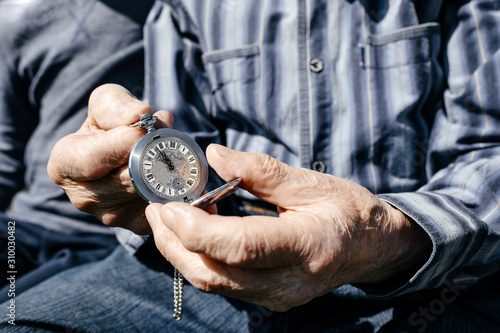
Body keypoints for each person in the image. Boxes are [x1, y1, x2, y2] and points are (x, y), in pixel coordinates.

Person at [1, 0, 500, 332]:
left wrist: (380, 236)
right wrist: (130, 188)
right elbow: (183, 155)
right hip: (203, 285)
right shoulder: (182, 9)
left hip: (429, 288)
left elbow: (489, 152)